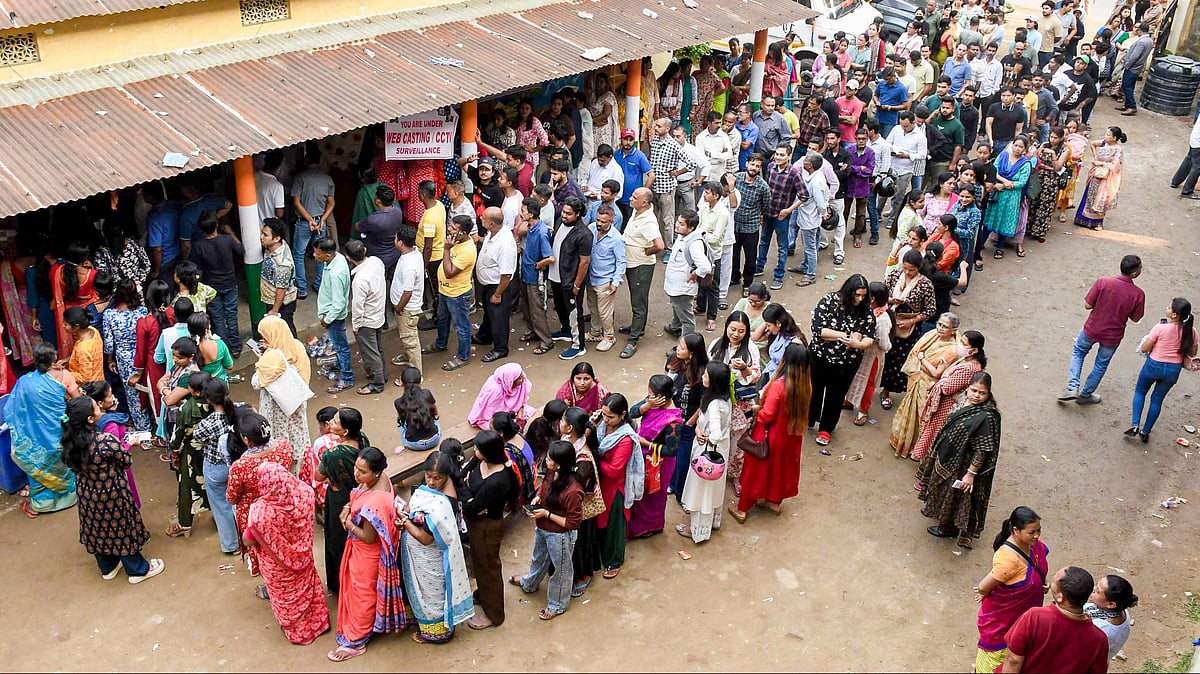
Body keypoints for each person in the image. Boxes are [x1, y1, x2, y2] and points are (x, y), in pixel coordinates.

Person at [60, 395, 163, 583]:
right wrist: (131, 443)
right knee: (121, 528)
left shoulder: (70, 442)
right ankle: (137, 570)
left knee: (96, 527)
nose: (100, 410)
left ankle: (108, 567)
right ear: (90, 419)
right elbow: (125, 461)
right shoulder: (105, 440)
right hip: (112, 494)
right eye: (96, 408)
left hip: (87, 495)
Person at [327, 447, 404, 661]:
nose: (356, 474)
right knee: (361, 591)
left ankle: (357, 640)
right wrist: (348, 505)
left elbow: (368, 537)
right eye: (356, 468)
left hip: (366, 553)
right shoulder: (379, 480)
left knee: (363, 595)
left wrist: (348, 522)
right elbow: (360, 492)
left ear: (376, 472)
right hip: (364, 551)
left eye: (362, 471)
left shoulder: (374, 503)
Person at [243, 462, 330, 644]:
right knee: (307, 587)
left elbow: (248, 540)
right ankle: (318, 622)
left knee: (286, 595)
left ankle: (297, 631)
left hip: (277, 567)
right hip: (304, 556)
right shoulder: (305, 493)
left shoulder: (260, 514)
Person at [398, 449, 475, 641]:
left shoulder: (444, 503)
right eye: (428, 477)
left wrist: (404, 521)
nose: (431, 482)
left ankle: (436, 632)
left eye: (437, 478)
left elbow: (426, 538)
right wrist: (410, 511)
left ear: (447, 476)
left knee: (432, 594)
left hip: (429, 558)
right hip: (419, 554)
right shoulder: (434, 489)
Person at [729, 342, 810, 522]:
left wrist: (759, 410)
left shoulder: (779, 386)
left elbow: (767, 415)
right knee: (781, 469)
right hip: (792, 436)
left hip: (770, 436)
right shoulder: (805, 384)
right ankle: (774, 501)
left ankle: (742, 509)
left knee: (755, 471)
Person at [972, 506, 1049, 673]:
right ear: (1016, 530)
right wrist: (983, 593)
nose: (1036, 535)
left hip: (1020, 618)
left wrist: (1041, 584)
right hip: (1002, 625)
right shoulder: (1008, 560)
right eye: (1031, 532)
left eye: (1039, 530)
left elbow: (1039, 568)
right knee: (994, 661)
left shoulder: (1034, 546)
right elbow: (983, 586)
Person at [512, 440, 583, 620]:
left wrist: (546, 514)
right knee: (539, 558)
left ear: (560, 464)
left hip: (559, 535)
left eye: (550, 459)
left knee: (561, 569)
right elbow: (544, 488)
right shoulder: (553, 473)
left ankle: (557, 604)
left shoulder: (573, 490)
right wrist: (537, 497)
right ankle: (530, 582)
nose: (547, 461)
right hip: (543, 528)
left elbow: (573, 522)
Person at [1060, 255, 1145, 405]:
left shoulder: (1103, 282)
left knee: (1079, 352)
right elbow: (1136, 318)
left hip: (1092, 328)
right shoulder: (1138, 294)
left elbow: (1087, 305)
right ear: (1134, 274)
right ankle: (1086, 395)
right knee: (1101, 364)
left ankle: (1073, 386)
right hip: (1113, 336)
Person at [8, 342, 78, 518]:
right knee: (63, 464)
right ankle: (70, 497)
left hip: (35, 438)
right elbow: (78, 400)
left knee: (37, 465)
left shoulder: (25, 382)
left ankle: (38, 505)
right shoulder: (65, 376)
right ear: (53, 359)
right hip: (59, 433)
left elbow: (12, 409)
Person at [809, 275, 876, 446]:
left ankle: (826, 428)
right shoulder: (829, 301)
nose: (860, 299)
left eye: (863, 296)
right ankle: (809, 418)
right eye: (857, 295)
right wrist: (845, 336)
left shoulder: (866, 310)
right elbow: (818, 330)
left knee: (836, 395)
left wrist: (858, 344)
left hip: (846, 363)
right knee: (813, 390)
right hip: (820, 357)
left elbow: (869, 337)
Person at [1002, 567, 1109, 673]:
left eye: (1054, 581)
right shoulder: (1099, 639)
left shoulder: (1034, 617)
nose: (1051, 582)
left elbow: (1014, 660)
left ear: (1060, 597)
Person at [461, 430, 519, 629]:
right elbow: (461, 478)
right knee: (479, 563)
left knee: (489, 568)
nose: (474, 450)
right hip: (477, 523)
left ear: (487, 452)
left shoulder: (498, 479)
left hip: (487, 527)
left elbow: (470, 507)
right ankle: (482, 594)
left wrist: (469, 497)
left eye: (477, 448)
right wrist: (469, 495)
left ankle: (494, 614)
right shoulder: (480, 462)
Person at [226, 412, 295, 577]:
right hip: (282, 504)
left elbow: (232, 497)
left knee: (260, 547)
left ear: (246, 440)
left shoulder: (241, 465)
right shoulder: (283, 446)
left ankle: (266, 575)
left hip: (253, 514)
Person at [891, 311, 961, 458]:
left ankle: (916, 448)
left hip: (928, 385)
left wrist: (922, 359)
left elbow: (936, 373)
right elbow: (915, 352)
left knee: (921, 416)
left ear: (953, 330)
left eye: (945, 326)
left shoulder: (952, 349)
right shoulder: (932, 335)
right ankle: (903, 442)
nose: (940, 328)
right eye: (939, 324)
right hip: (918, 379)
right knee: (909, 412)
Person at [314, 407, 369, 594]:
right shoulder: (363, 440)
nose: (331, 424)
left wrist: (331, 476)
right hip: (361, 494)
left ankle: (342, 584)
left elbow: (318, 476)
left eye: (335, 422)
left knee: (337, 541)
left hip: (339, 499)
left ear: (345, 431)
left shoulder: (332, 454)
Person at [912, 331, 987, 462]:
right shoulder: (966, 360)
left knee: (936, 433)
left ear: (974, 350)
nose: (960, 346)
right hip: (945, 403)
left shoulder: (970, 368)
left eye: (964, 344)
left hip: (947, 406)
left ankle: (928, 462)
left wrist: (936, 384)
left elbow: (947, 388)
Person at [1129, 298, 1197, 443]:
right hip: (1173, 370)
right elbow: (1192, 352)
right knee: (1157, 400)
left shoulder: (1161, 327)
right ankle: (1146, 431)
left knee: (1140, 392)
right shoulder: (1192, 331)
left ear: (1174, 315)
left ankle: (1135, 425)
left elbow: (1145, 348)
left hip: (1154, 365)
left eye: (1169, 307)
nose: (1166, 308)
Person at [677, 362, 731, 543]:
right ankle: (712, 523)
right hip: (720, 453)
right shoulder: (724, 398)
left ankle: (697, 530)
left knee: (702, 492)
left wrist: (701, 434)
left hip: (707, 455)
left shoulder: (714, 404)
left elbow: (715, 434)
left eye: (706, 376)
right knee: (712, 490)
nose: (703, 378)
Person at [251, 315, 311, 471]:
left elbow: (256, 382)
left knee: (280, 445)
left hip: (278, 410)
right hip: (296, 402)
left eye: (264, 336)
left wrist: (261, 362)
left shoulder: (271, 357)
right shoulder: (296, 345)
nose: (263, 340)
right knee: (298, 437)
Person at [627, 375, 683, 538]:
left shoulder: (673, 422)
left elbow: (671, 450)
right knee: (641, 494)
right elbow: (633, 412)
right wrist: (647, 405)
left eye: (651, 394)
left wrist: (646, 444)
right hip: (644, 458)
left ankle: (652, 526)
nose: (648, 396)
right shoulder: (651, 403)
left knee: (654, 496)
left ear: (661, 397)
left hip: (660, 463)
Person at [594, 393, 640, 577]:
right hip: (601, 483)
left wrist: (595, 460)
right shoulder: (603, 427)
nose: (605, 419)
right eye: (604, 415)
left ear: (622, 414)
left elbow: (614, 470)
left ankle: (614, 561)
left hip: (615, 488)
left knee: (614, 526)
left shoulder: (625, 439)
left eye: (610, 416)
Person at [192, 379, 239, 554]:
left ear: (208, 400)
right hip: (235, 464)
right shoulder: (236, 412)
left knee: (221, 506)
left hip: (215, 466)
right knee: (238, 501)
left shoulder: (209, 422)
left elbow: (197, 437)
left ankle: (231, 545)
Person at [560, 407, 604, 596]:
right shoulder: (569, 440)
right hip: (568, 505)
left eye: (562, 420)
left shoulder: (583, 458)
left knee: (579, 545)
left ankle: (582, 576)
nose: (559, 423)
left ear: (569, 427)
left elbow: (578, 487)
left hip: (581, 510)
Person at [189, 212, 244, 357]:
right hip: (230, 284)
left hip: (211, 287)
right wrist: (231, 232)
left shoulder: (199, 245)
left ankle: (223, 349)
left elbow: (198, 267)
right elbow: (241, 250)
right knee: (231, 316)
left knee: (218, 318)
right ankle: (236, 347)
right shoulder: (227, 240)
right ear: (217, 225)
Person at [619, 188, 665, 359]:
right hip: (632, 263)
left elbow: (659, 245)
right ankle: (638, 327)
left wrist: (648, 251)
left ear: (644, 202)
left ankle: (633, 340)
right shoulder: (637, 212)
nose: (631, 198)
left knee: (639, 301)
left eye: (635, 197)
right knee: (636, 298)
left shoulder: (648, 221)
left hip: (641, 265)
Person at [82, 381, 141, 509]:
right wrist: (130, 443)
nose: (113, 397)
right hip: (116, 468)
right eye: (110, 396)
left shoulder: (92, 419)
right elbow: (114, 451)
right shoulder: (111, 425)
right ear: (100, 403)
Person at [429, 214, 477, 371]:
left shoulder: (467, 250)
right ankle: (441, 343)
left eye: (453, 228)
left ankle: (463, 356)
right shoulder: (455, 240)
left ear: (463, 233)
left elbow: (450, 272)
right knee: (442, 319)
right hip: (445, 290)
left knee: (461, 326)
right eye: (449, 225)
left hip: (457, 294)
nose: (449, 229)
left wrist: (446, 249)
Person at [101, 281, 150, 431]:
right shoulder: (142, 311)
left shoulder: (109, 314)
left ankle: (143, 428)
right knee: (148, 389)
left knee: (132, 395)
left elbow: (108, 343)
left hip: (124, 360)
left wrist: (110, 360)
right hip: (144, 355)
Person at [548, 198, 592, 360]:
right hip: (555, 276)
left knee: (574, 311)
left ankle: (578, 345)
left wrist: (577, 284)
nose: (564, 216)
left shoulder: (584, 234)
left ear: (578, 214)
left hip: (570, 280)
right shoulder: (560, 221)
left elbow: (584, 262)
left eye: (569, 213)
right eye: (564, 212)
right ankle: (565, 330)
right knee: (560, 306)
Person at [846, 282, 894, 426]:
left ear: (872, 299)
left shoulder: (882, 319)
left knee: (868, 383)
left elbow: (884, 344)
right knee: (853, 376)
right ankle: (849, 400)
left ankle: (863, 410)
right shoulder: (869, 310)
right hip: (860, 351)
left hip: (872, 356)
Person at [291, 143, 335, 299]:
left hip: (304, 222)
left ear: (306, 160)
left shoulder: (300, 177)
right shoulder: (327, 178)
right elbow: (331, 203)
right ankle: (319, 284)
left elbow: (296, 202)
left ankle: (302, 289)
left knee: (298, 255)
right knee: (321, 253)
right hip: (320, 223)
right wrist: (322, 219)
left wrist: (309, 220)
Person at [345, 240, 386, 395]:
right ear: (365, 250)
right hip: (379, 314)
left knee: (370, 352)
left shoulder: (360, 279)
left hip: (367, 320)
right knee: (378, 348)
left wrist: (356, 326)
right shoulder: (377, 262)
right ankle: (382, 375)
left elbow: (357, 306)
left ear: (348, 258)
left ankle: (377, 383)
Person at [982, 136, 1034, 258]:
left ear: (1025, 149)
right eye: (1015, 145)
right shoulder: (1003, 155)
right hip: (997, 193)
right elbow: (994, 170)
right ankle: (981, 243)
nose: (1017, 149)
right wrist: (1003, 181)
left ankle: (1000, 248)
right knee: (990, 218)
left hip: (1012, 197)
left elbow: (1022, 182)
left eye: (1020, 147)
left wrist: (1006, 185)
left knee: (1006, 220)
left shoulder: (1026, 164)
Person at [664, 211, 713, 336]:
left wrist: (694, 274)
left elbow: (706, 266)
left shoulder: (694, 245)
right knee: (676, 307)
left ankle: (685, 344)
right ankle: (675, 326)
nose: (677, 225)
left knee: (686, 318)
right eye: (678, 221)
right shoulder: (682, 236)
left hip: (682, 287)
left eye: (681, 224)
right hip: (675, 285)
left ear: (690, 228)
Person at [518, 197, 556, 356]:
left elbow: (550, 258)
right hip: (526, 273)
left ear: (531, 213)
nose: (520, 213)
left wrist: (538, 265)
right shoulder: (531, 227)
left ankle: (546, 341)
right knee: (525, 306)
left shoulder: (541, 232)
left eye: (523, 211)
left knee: (536, 310)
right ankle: (533, 331)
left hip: (535, 276)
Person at [585, 205, 626, 350]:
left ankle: (609, 336)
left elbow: (621, 262)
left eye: (603, 221)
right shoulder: (591, 229)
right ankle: (595, 332)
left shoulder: (617, 239)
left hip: (605, 281)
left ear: (611, 221)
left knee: (605, 312)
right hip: (590, 277)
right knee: (593, 308)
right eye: (598, 220)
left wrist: (615, 282)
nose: (599, 224)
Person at [51, 242, 99, 360]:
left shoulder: (57, 272)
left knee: (73, 342)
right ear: (85, 258)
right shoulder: (91, 274)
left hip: (68, 313)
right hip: (85, 313)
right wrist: (92, 267)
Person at [1074, 126, 1126, 231]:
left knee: (1101, 199)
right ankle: (1083, 219)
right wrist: (1095, 155)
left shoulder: (1118, 150)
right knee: (1090, 196)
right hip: (1096, 176)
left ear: (1115, 138)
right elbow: (1092, 144)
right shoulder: (1104, 143)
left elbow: (1115, 166)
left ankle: (1097, 223)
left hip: (1106, 178)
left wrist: (1101, 163)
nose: (1105, 137)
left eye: (1108, 135)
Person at [1027, 127, 1071, 242]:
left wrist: (1052, 154)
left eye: (1055, 138)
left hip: (1051, 181)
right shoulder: (1044, 144)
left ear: (1061, 138)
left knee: (1045, 206)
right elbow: (1036, 159)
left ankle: (1039, 231)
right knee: (1033, 202)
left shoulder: (1064, 150)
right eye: (1051, 137)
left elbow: (1057, 167)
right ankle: (1027, 228)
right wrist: (1045, 165)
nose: (1052, 140)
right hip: (1038, 177)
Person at [390, 224, 425, 374]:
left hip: (407, 308)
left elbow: (408, 292)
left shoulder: (409, 265)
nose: (394, 239)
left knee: (410, 340)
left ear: (400, 243)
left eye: (396, 237)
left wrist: (399, 308)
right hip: (406, 306)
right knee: (408, 336)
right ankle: (408, 357)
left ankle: (416, 373)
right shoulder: (414, 253)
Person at [259, 218, 298, 336]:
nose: (261, 237)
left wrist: (275, 310)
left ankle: (296, 353)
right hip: (271, 299)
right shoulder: (276, 246)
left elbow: (281, 290)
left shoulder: (282, 264)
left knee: (287, 333)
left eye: (265, 235)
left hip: (282, 304)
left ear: (276, 238)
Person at [468, 362, 534, 430]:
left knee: (535, 416)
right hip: (492, 419)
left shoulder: (522, 381)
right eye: (519, 378)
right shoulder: (494, 390)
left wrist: (519, 418)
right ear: (510, 382)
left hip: (512, 413)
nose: (523, 379)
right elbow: (489, 416)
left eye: (522, 375)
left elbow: (522, 404)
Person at [1085, 575, 1138, 660]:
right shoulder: (1121, 611)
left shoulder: (1100, 630)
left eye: (1098, 591)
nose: (1093, 589)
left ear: (1111, 604)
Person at [393, 367, 441, 453]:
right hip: (434, 439)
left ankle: (406, 446)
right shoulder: (427, 393)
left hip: (414, 444)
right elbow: (436, 412)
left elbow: (403, 420)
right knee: (434, 417)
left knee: (400, 422)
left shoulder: (398, 402)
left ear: (401, 383)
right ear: (420, 381)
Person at [1116, 23, 1153, 115]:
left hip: (1132, 67)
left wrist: (1126, 65)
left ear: (1140, 30)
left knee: (1127, 86)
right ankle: (1128, 104)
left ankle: (1131, 106)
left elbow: (1134, 56)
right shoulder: (1149, 40)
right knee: (1130, 86)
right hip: (1137, 67)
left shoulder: (1141, 42)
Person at [64, 306, 103, 386]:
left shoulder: (82, 349)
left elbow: (85, 377)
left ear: (77, 326)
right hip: (99, 380)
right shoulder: (93, 330)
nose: (63, 326)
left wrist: (63, 373)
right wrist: (68, 360)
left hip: (90, 389)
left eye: (65, 324)